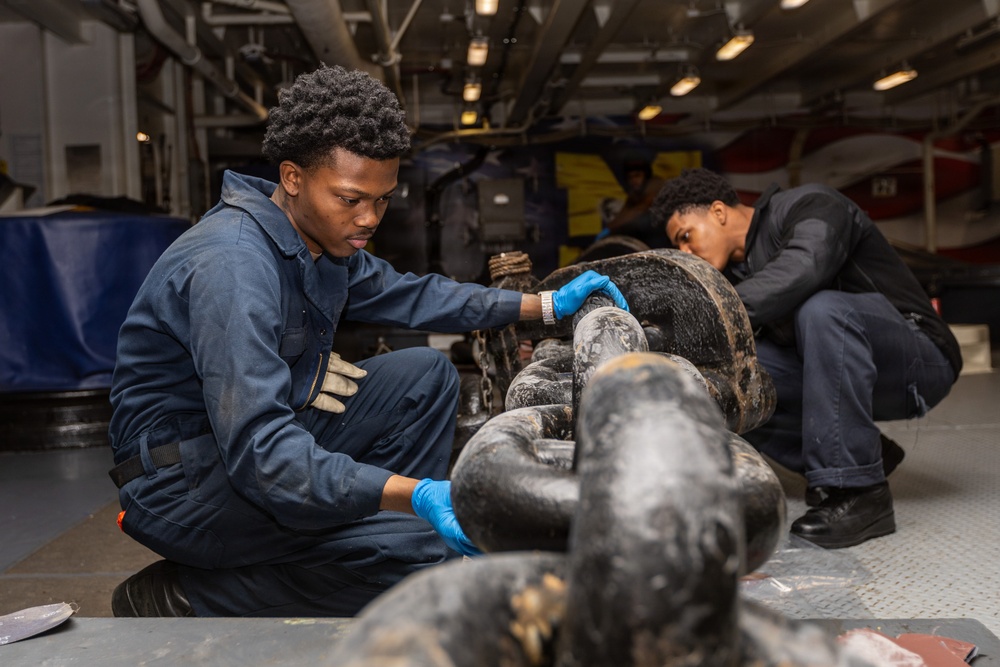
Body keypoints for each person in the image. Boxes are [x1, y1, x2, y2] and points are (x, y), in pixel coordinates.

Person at [107, 64, 628, 617]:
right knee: (423, 549)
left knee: (423, 377)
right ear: (292, 177)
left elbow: (414, 295)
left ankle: (357, 540)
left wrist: (545, 306)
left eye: (382, 200)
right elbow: (262, 455)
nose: (370, 217)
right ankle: (187, 596)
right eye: (351, 198)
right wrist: (415, 496)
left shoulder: (315, 240)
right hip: (184, 485)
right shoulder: (233, 265)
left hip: (235, 450)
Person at [651, 168, 961, 549]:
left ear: (718, 211)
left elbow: (805, 266)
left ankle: (862, 493)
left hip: (920, 360)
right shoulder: (734, 274)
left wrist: (710, 312)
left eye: (686, 236)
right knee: (729, 377)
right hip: (847, 372)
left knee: (824, 309)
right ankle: (865, 454)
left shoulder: (812, 205)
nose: (685, 252)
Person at [604, 156, 668, 247]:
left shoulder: (656, 184)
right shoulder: (635, 192)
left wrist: (612, 228)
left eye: (637, 175)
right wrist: (608, 229)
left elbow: (641, 208)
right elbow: (625, 211)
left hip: (662, 237)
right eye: (630, 177)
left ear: (645, 175)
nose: (633, 180)